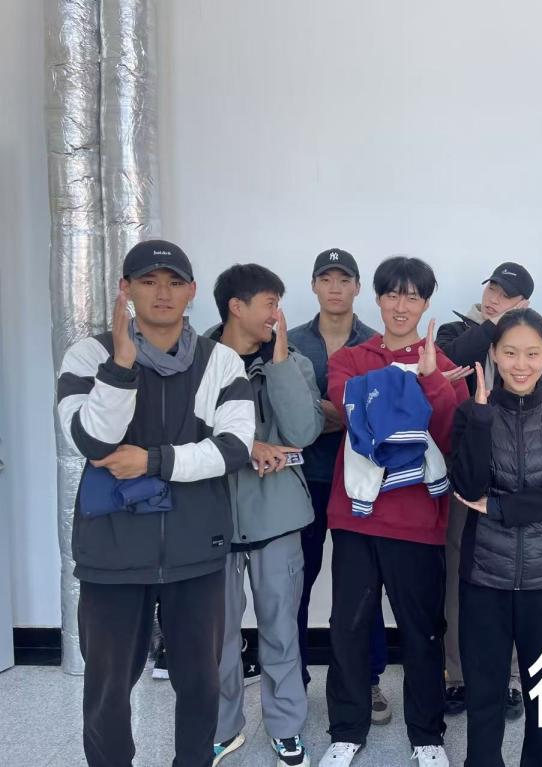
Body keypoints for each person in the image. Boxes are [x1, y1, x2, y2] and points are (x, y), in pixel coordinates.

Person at [56, 239, 255, 767]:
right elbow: (93, 442)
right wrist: (122, 367)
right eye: (147, 281)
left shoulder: (221, 362)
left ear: (192, 291)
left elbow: (233, 449)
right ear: (126, 288)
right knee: (107, 689)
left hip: (196, 549)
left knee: (200, 684)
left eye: (173, 282)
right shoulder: (89, 355)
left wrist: (153, 461)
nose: (162, 293)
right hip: (112, 553)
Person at [319, 256, 469, 767]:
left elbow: (448, 437)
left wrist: (431, 383)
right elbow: (359, 416)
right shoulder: (349, 359)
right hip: (356, 518)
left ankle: (427, 736)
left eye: (412, 296)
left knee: (423, 632)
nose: (401, 306)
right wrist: (419, 387)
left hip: (419, 522)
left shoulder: (444, 367)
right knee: (349, 626)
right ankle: (346, 731)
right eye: (392, 294)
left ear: (425, 304)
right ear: (378, 299)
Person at [450, 308, 542, 767]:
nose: (520, 364)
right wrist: (478, 419)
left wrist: (503, 508)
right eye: (510, 353)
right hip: (484, 577)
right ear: (493, 354)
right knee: (484, 692)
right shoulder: (472, 413)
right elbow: (466, 486)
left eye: (532, 354)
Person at [207, 264, 325, 767]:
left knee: (280, 628)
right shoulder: (196, 361)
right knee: (216, 635)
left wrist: (279, 364)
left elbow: (303, 431)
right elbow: (180, 431)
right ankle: (222, 728)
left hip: (277, 515)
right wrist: (247, 446)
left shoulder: (293, 362)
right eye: (270, 304)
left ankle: (285, 727)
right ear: (237, 307)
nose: (277, 314)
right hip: (209, 517)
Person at [435, 261, 542, 719]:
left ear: (524, 303)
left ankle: (507, 679)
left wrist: (516, 334)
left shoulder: (530, 340)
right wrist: (493, 326)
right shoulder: (456, 329)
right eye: (492, 289)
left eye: (506, 296)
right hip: (465, 468)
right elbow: (450, 361)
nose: (494, 299)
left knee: (512, 577)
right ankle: (456, 676)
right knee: (457, 574)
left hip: (517, 473)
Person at [289, 249, 391, 725]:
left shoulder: (376, 345)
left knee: (363, 588)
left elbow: (381, 416)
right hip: (302, 480)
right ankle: (292, 682)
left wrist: (326, 414)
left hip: (361, 481)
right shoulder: (289, 343)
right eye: (325, 278)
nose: (334, 287)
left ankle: (368, 680)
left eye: (343, 279)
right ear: (313, 285)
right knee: (295, 584)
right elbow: (285, 413)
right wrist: (336, 414)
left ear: (357, 287)